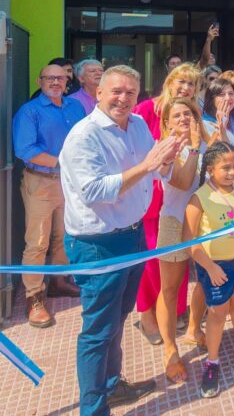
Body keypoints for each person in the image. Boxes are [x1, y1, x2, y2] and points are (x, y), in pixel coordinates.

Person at [60, 65, 180, 415]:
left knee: (119, 316)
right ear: (98, 92)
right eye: (115, 91)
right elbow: (96, 191)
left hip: (133, 235)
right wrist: (148, 166)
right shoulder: (84, 136)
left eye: (130, 92)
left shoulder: (139, 125)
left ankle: (112, 386)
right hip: (98, 243)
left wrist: (168, 159)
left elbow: (158, 168)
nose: (123, 98)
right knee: (98, 329)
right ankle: (94, 408)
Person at [183, 141, 234, 397]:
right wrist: (210, 267)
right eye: (225, 167)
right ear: (210, 169)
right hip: (214, 266)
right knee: (217, 314)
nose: (232, 172)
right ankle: (212, 363)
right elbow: (189, 241)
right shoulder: (200, 197)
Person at [12, 64, 85, 328]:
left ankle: (57, 282)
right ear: (39, 80)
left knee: (63, 235)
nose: (55, 82)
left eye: (60, 78)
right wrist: (63, 163)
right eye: (50, 78)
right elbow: (25, 150)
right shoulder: (29, 111)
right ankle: (34, 297)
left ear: (67, 81)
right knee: (37, 242)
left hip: (69, 184)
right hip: (41, 183)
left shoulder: (75, 107)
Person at [132, 63, 200, 345]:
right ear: (169, 81)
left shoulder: (192, 116)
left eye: (191, 84)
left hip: (180, 200)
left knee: (178, 259)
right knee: (150, 261)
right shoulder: (146, 109)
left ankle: (174, 309)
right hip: (150, 194)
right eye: (181, 82)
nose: (185, 88)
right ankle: (146, 315)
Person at [156, 97, 210, 383]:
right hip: (174, 223)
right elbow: (182, 181)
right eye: (176, 115)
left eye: (188, 114)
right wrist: (193, 146)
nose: (183, 119)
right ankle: (169, 349)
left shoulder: (203, 141)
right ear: (166, 122)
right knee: (170, 289)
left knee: (205, 279)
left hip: (206, 223)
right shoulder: (165, 149)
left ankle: (194, 329)